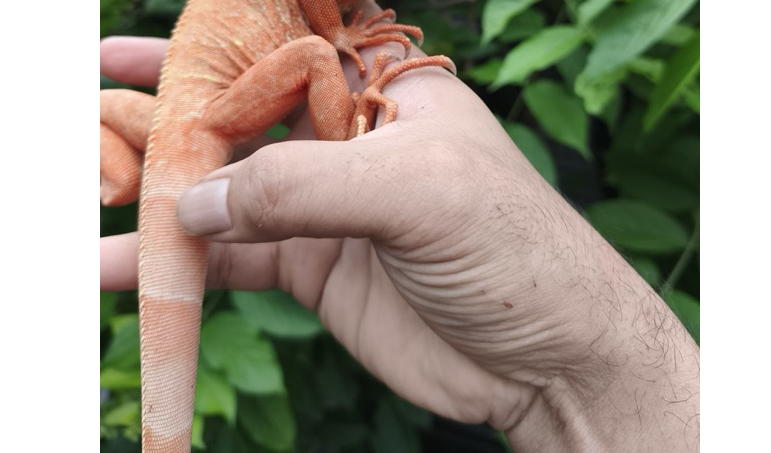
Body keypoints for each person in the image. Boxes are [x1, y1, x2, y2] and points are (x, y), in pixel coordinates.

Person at [100, 28, 699, 452]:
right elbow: (318, 7)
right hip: (202, 118)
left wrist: (565, 384)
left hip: (196, 112)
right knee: (312, 55)